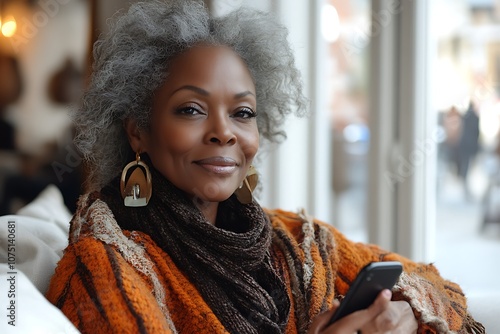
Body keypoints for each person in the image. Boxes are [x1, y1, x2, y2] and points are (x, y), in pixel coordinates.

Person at [46, 1, 484, 333]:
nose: (224, 133)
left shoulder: (294, 241)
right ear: (138, 131)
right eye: (192, 109)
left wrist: (404, 311)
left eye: (242, 113)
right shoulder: (103, 262)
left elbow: (439, 286)